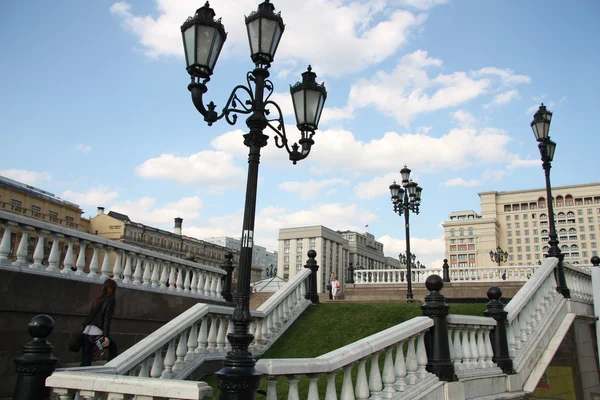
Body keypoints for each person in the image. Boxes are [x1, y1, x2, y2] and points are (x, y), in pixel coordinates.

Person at [80, 278, 118, 366]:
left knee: (86, 360)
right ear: (113, 289)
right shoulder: (111, 300)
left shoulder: (98, 299)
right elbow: (106, 319)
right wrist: (106, 336)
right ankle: (110, 368)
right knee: (113, 348)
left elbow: (91, 316)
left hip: (87, 333)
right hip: (97, 336)